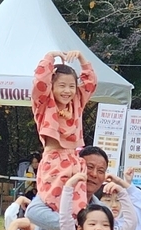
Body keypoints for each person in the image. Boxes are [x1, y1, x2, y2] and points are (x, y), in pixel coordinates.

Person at [32, 51, 96, 215]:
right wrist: (50, 57)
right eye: (62, 86)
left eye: (72, 86)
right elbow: (40, 81)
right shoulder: (44, 104)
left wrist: (82, 58)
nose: (67, 91)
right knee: (54, 207)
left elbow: (90, 83)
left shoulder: (77, 102)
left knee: (77, 210)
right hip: (54, 161)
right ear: (51, 86)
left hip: (74, 160)